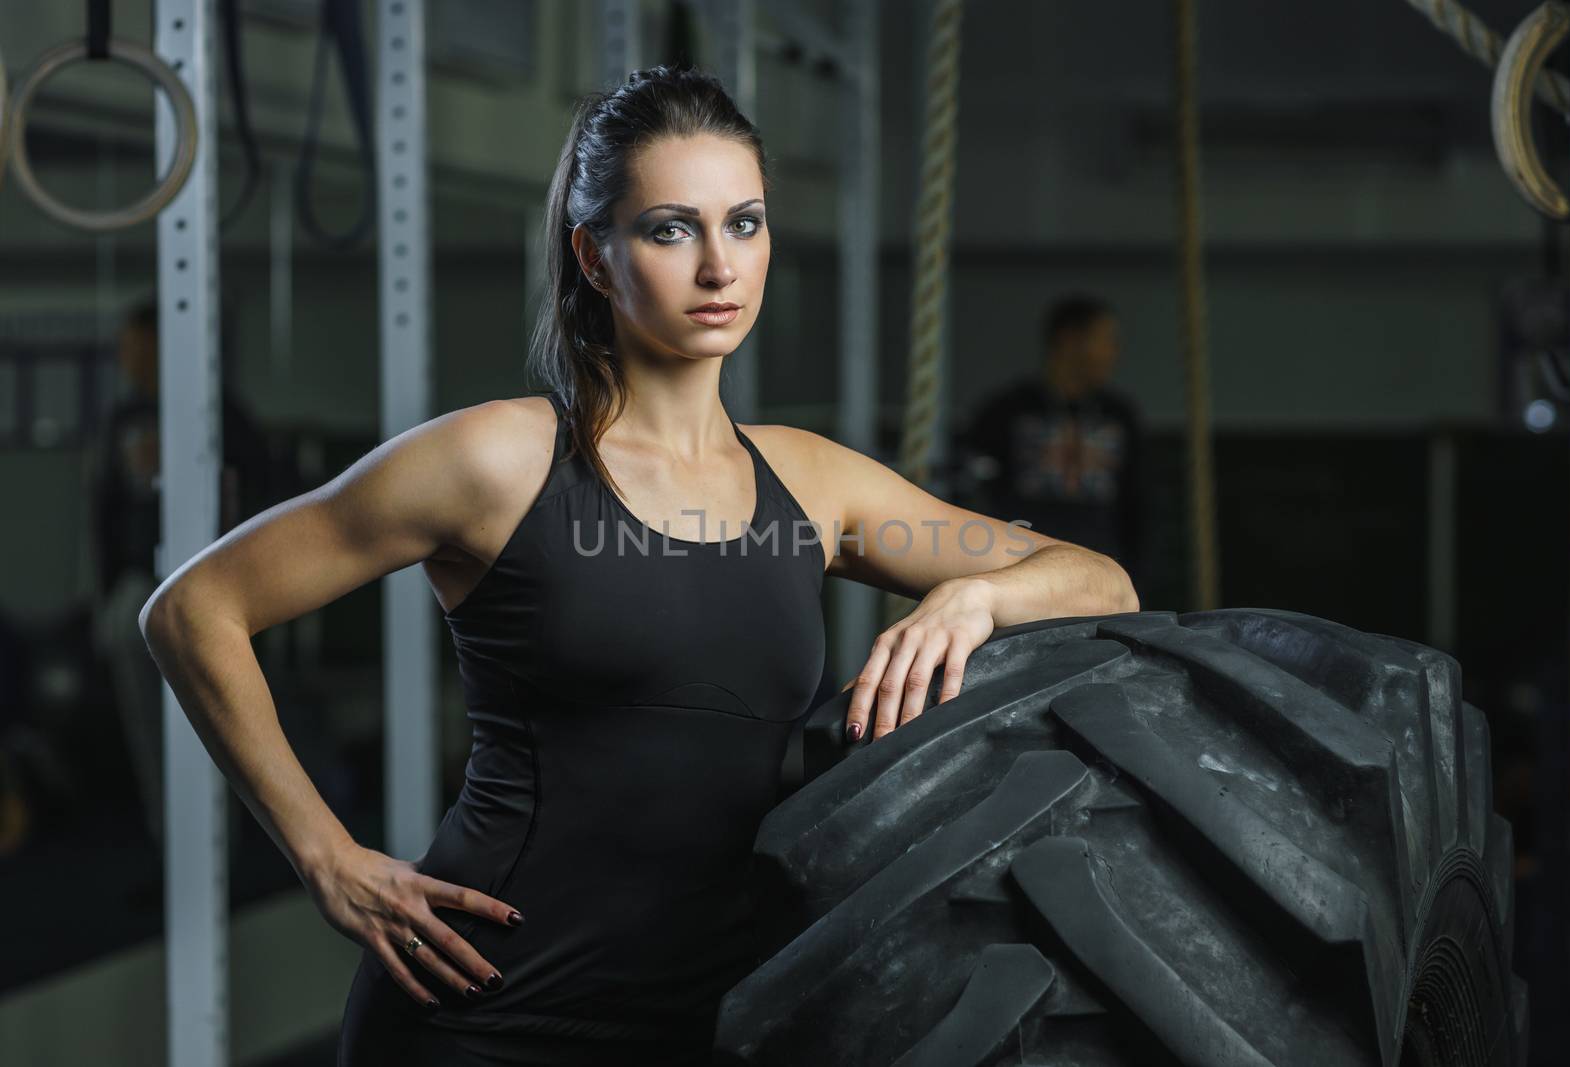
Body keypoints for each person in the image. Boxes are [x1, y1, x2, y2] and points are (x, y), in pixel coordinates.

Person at [139, 66, 1138, 1066]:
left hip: (717, 1016)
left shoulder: (814, 483)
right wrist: (325, 854)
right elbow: (193, 609)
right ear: (596, 256)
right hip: (486, 1010)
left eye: (743, 223)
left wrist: (971, 593)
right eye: (671, 229)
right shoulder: (494, 461)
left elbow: (1098, 580)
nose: (719, 267)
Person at [88, 298, 275, 844]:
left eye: (137, 347)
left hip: (213, 591)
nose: (129, 359)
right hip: (139, 594)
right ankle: (171, 845)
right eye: (125, 349)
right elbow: (104, 511)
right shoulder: (123, 420)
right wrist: (106, 594)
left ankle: (228, 844)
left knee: (220, 726)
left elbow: (261, 499)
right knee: (152, 732)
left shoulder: (220, 413)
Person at [958, 294, 1145, 588]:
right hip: (1019, 568)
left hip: (1101, 573)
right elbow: (977, 495)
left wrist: (1135, 575)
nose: (1114, 351)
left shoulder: (1119, 415)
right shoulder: (1006, 411)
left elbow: (1138, 502)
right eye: (1105, 339)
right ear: (1070, 339)